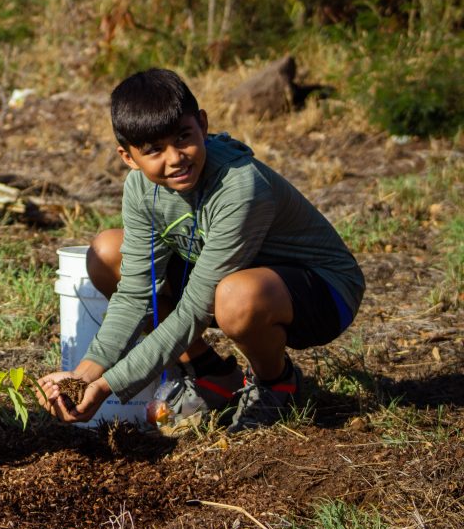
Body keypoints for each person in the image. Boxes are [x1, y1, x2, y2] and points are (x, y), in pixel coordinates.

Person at [39, 68, 364, 433]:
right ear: (128, 158)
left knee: (235, 297)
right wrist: (84, 373)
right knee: (108, 252)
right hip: (227, 278)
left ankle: (276, 383)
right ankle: (212, 375)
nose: (175, 158)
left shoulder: (239, 186)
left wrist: (110, 384)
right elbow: (134, 295)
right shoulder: (141, 190)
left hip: (322, 292)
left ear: (203, 125)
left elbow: (196, 307)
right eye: (154, 150)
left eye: (183, 138)